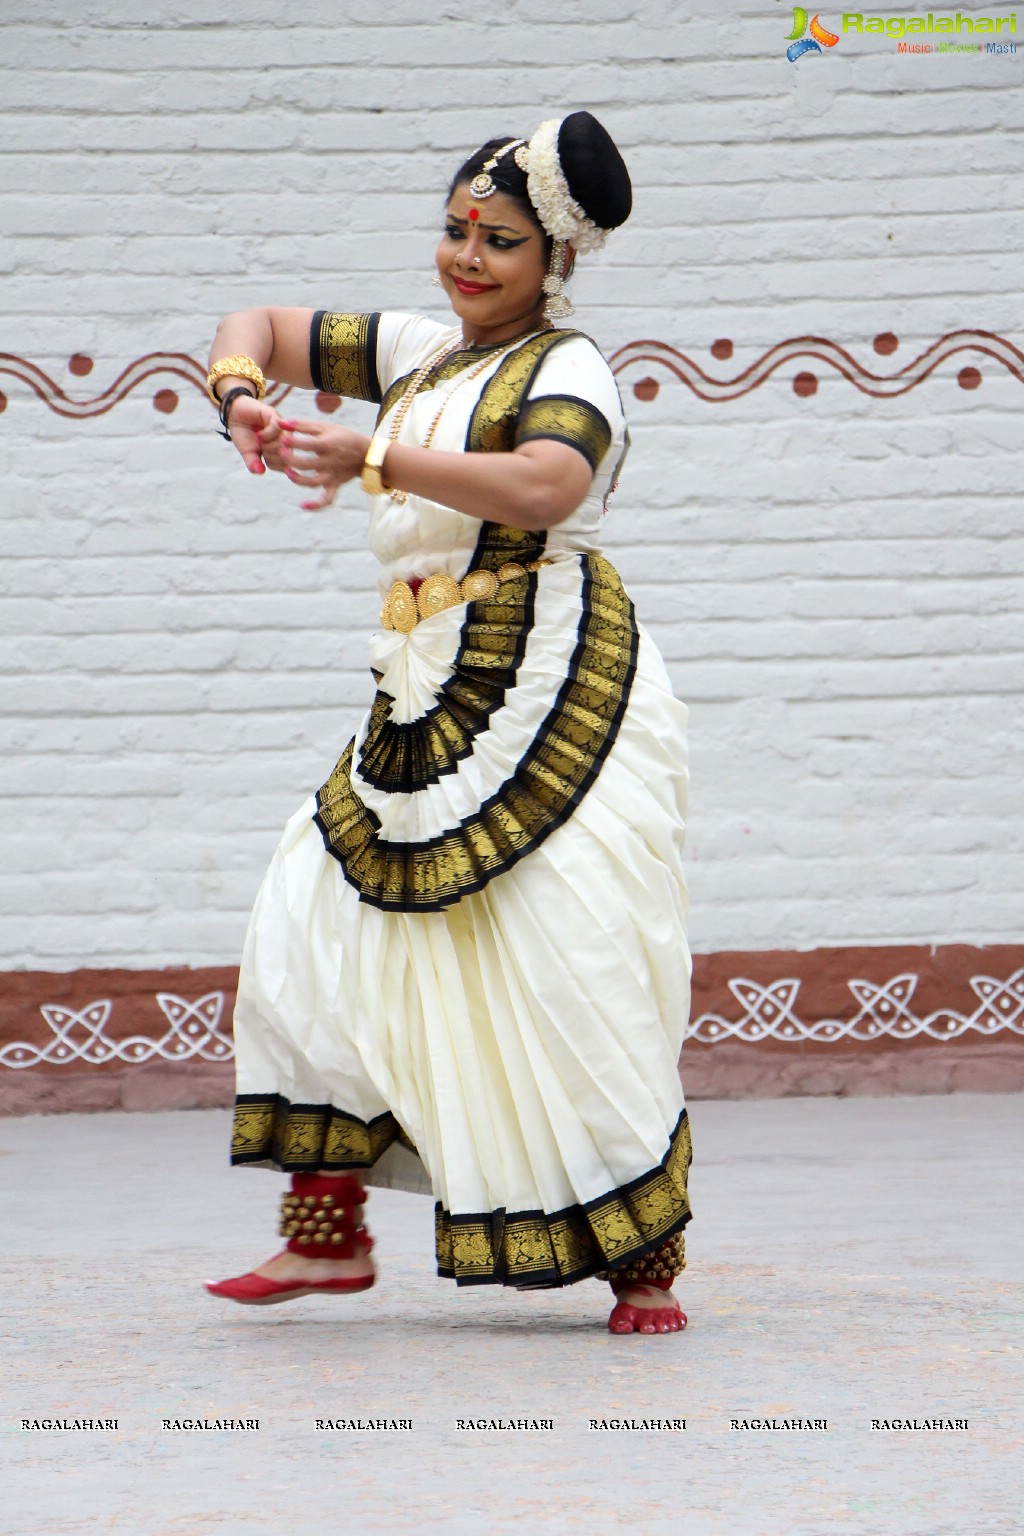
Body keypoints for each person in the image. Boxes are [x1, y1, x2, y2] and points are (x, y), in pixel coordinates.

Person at [203, 112, 693, 1336]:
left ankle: (639, 1259)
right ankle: (324, 1237)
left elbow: (547, 484)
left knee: (561, 957)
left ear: (556, 262)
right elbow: (259, 326)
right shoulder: (427, 355)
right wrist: (243, 398)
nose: (467, 260)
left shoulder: (565, 370)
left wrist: (375, 457)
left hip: (548, 673)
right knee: (314, 917)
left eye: (502, 243)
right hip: (426, 676)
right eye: (456, 232)